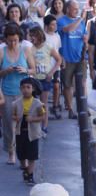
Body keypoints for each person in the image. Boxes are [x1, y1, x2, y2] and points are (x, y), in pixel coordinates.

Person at [0, 23, 35, 164]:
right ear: (6, 40)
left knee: (22, 125)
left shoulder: (25, 50)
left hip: (24, 94)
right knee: (9, 124)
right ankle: (11, 151)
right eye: (10, 40)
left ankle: (23, 155)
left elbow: (34, 69)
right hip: (8, 92)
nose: (13, 43)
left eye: (15, 40)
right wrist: (6, 71)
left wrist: (25, 70)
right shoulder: (2, 52)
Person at [57, 0, 87, 119]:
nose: (77, 11)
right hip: (67, 59)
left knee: (82, 84)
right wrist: (80, 19)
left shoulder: (81, 22)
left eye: (78, 9)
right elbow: (67, 30)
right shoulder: (61, 21)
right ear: (68, 8)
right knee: (68, 85)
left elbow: (85, 34)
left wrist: (85, 38)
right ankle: (70, 109)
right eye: (75, 9)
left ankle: (83, 108)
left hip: (80, 58)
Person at [29, 26, 61, 135]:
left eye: (33, 36)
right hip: (33, 79)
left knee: (43, 103)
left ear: (39, 35)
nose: (31, 38)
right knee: (32, 103)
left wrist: (51, 72)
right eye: (30, 36)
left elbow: (59, 60)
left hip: (45, 79)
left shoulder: (48, 47)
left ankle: (44, 126)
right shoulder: (30, 48)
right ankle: (35, 125)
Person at [12, 77, 45, 184]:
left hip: (33, 132)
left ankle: (30, 174)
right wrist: (15, 118)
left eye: (28, 87)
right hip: (20, 131)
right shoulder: (16, 103)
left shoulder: (38, 103)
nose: (25, 90)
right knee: (21, 153)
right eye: (23, 88)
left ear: (33, 89)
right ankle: (24, 167)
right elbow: (13, 115)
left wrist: (32, 119)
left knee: (32, 154)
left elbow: (42, 117)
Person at [43, 15, 62, 120]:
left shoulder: (57, 36)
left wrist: (61, 61)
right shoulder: (43, 36)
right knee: (45, 88)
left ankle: (55, 106)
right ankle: (43, 110)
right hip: (45, 66)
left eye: (55, 24)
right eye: (52, 24)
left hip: (55, 65)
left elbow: (58, 50)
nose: (54, 26)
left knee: (56, 86)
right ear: (47, 25)